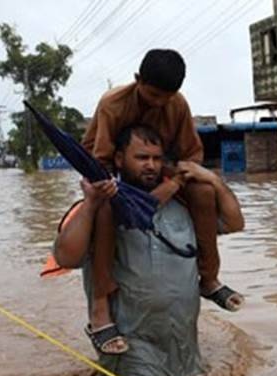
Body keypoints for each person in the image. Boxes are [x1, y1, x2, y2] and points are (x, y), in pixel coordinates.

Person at [54, 125, 244, 376]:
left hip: (185, 353)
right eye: (142, 158)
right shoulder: (101, 210)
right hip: (131, 353)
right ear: (120, 160)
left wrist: (213, 180)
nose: (151, 166)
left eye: (156, 158)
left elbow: (235, 223)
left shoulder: (185, 207)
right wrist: (90, 203)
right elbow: (66, 257)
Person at [81, 49, 245, 352]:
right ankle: (100, 310)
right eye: (153, 94)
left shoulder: (177, 104)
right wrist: (110, 189)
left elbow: (191, 156)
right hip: (113, 172)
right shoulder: (112, 104)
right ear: (137, 80)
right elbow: (100, 161)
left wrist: (174, 182)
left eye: (166, 97)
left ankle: (209, 278)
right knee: (103, 207)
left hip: (163, 171)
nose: (159, 103)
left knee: (204, 191)